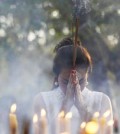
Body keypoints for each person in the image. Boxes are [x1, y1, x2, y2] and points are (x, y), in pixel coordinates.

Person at [33, 37, 113, 134]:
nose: (74, 86)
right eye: (66, 82)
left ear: (87, 75)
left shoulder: (101, 101)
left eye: (81, 81)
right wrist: (65, 106)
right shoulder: (42, 100)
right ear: (57, 77)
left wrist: (82, 108)